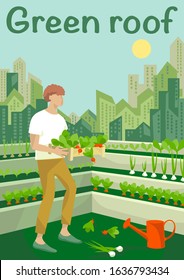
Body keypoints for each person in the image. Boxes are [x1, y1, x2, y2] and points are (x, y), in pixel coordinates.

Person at [29, 84, 82, 253]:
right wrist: (53, 150)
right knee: (49, 195)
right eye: (59, 95)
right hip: (45, 161)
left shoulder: (61, 119)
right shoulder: (38, 117)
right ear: (50, 96)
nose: (62, 99)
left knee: (71, 187)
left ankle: (64, 230)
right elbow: (34, 144)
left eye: (62, 96)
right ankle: (39, 238)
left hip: (59, 161)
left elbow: (64, 142)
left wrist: (73, 147)